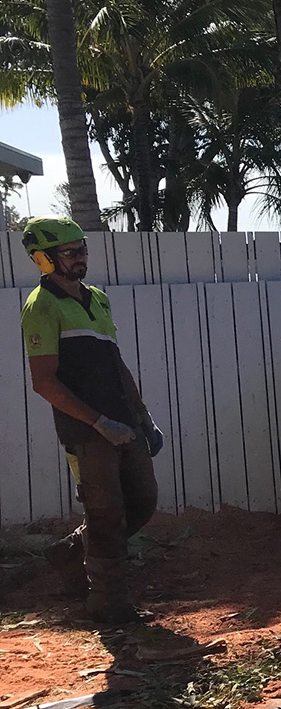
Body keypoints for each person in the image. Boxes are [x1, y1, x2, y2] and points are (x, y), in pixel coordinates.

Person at [20, 215, 164, 624]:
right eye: (70, 252)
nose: (81, 257)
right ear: (44, 260)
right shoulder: (41, 307)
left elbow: (115, 363)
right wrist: (100, 423)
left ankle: (70, 552)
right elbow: (44, 382)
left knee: (143, 501)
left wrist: (142, 416)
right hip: (86, 430)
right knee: (106, 513)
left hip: (125, 421)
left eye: (82, 248)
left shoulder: (97, 299)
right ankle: (108, 602)